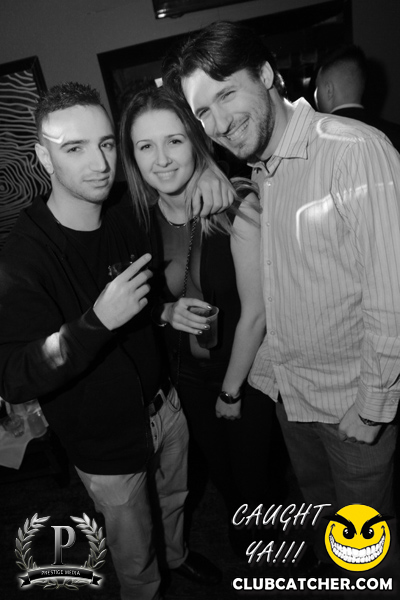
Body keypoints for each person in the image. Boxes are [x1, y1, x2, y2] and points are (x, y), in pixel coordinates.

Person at [162, 21, 400, 569]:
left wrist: (371, 409)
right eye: (203, 112)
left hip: (351, 409)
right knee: (324, 529)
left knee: (365, 554)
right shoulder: (263, 170)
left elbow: (391, 297)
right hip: (295, 401)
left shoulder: (353, 151)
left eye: (227, 94)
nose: (219, 122)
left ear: (267, 74)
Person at [0, 82, 225, 600]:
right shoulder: (23, 259)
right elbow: (13, 375)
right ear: (43, 157)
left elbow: (174, 177)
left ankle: (178, 556)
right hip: (103, 441)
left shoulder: (123, 209)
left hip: (165, 408)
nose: (100, 163)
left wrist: (213, 173)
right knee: (134, 549)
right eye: (74, 148)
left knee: (174, 501)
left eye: (105, 144)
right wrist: (96, 322)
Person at [119, 84, 277, 554]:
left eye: (174, 140)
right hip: (186, 378)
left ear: (195, 139)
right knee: (222, 472)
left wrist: (231, 390)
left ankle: (278, 547)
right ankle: (244, 531)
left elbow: (257, 313)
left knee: (258, 475)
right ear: (133, 156)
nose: (162, 159)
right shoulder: (136, 223)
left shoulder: (234, 205)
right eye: (146, 146)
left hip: (245, 373)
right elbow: (136, 303)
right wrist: (165, 312)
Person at [314, 44, 400, 151]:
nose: (315, 94)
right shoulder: (395, 134)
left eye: (317, 88)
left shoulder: (315, 142)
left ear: (329, 90)